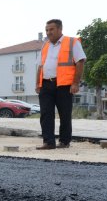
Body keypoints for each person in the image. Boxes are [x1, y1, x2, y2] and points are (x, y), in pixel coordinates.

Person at [35, 18, 86, 149]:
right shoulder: (45, 46)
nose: (48, 32)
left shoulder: (72, 42)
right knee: (46, 114)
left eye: (51, 29)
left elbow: (80, 62)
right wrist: (37, 84)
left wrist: (75, 83)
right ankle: (48, 142)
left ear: (59, 29)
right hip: (46, 84)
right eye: (46, 30)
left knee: (64, 114)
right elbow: (40, 66)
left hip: (64, 85)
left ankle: (64, 141)